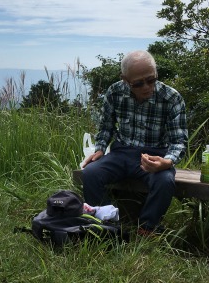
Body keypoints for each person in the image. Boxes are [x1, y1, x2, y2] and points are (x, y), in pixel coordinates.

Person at [80, 50, 188, 235]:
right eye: (138, 83)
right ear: (125, 79)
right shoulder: (114, 92)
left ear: (156, 74)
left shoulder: (171, 98)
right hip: (121, 152)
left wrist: (167, 161)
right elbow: (106, 126)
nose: (146, 87)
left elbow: (179, 141)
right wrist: (99, 149)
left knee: (165, 181)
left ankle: (147, 228)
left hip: (155, 154)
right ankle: (105, 223)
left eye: (151, 80)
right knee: (90, 173)